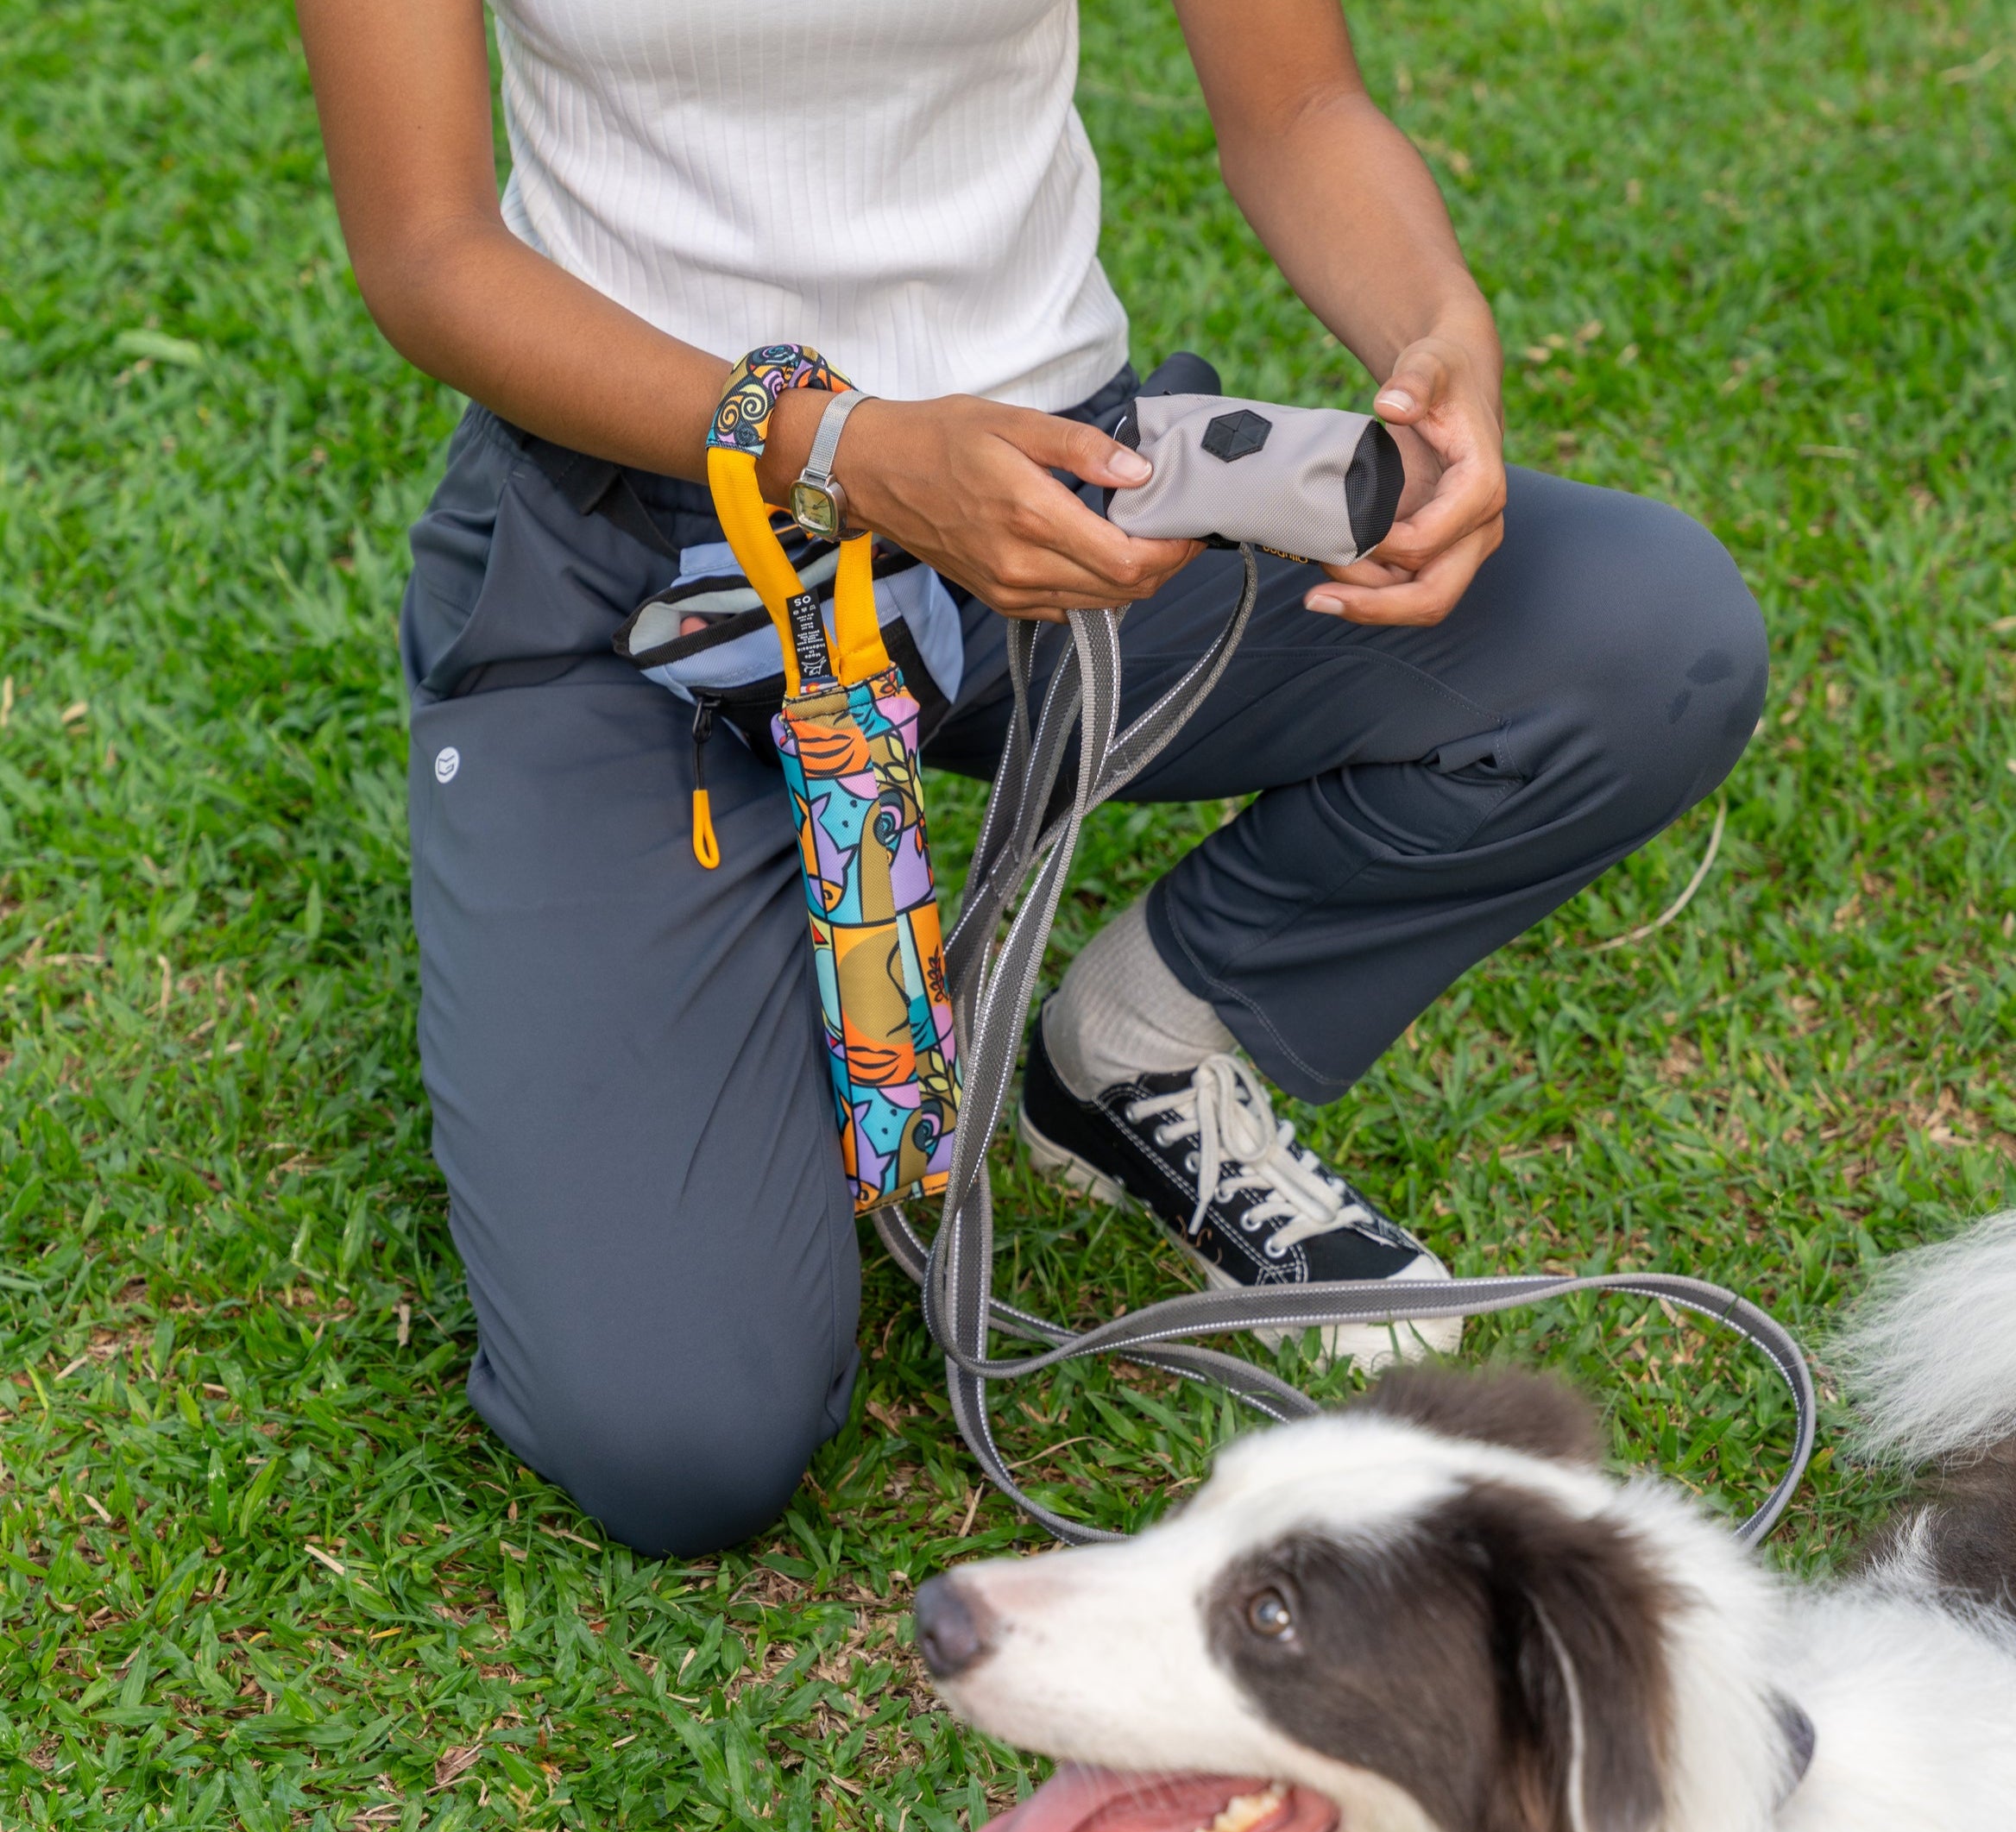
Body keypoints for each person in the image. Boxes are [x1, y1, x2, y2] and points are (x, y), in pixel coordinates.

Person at [297, 0, 1767, 1558]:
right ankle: (720, 935)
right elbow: (431, 254)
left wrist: (1437, 329)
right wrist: (848, 449)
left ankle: (1126, 1056)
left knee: (1639, 637)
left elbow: (1299, 106)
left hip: (1064, 505)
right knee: (680, 1439)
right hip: (632, 573)